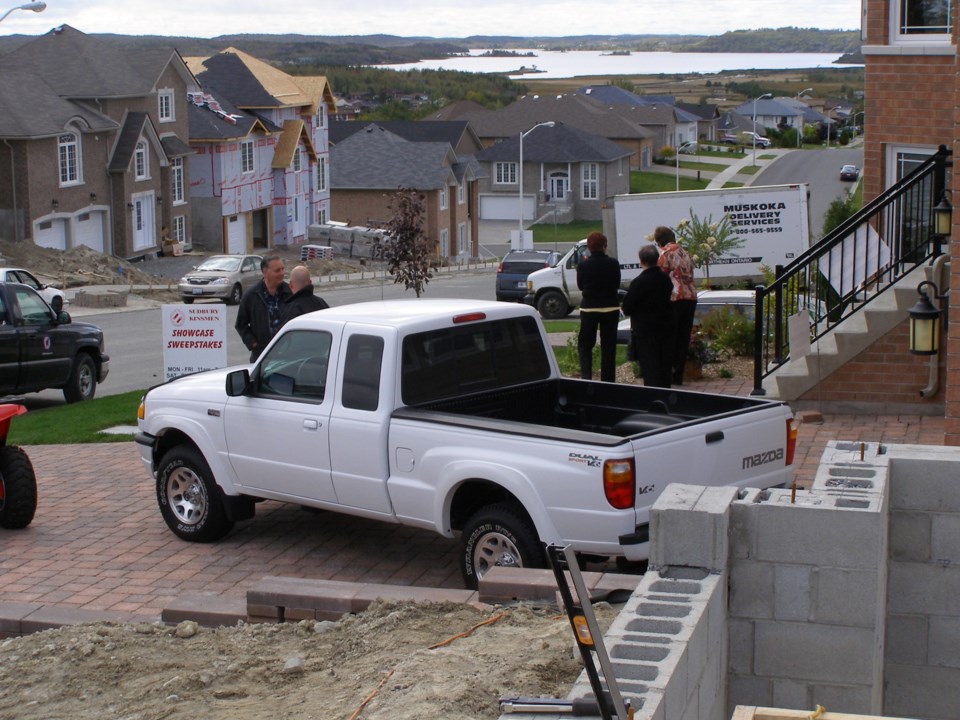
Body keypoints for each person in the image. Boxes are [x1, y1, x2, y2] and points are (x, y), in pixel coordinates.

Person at [620, 244, 674, 388]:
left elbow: (627, 308)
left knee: (650, 370)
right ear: (657, 260)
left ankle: (653, 396)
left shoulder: (639, 282)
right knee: (664, 368)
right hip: (664, 328)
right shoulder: (665, 280)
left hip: (645, 331)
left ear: (641, 261)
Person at [654, 226, 698, 385]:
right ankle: (679, 374)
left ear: (659, 242)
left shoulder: (665, 253)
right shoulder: (684, 252)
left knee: (670, 336)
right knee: (683, 337)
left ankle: (669, 373)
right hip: (690, 296)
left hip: (675, 298)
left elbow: (659, 276)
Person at [576, 231, 621, 383]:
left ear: (589, 247)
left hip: (589, 308)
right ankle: (608, 381)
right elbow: (616, 284)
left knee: (585, 345)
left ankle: (586, 378)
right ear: (604, 246)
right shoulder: (613, 264)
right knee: (608, 346)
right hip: (610, 308)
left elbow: (581, 286)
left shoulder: (583, 265)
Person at [235, 254, 291, 362]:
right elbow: (241, 325)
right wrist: (253, 344)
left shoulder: (290, 292)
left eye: (283, 269)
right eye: (277, 270)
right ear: (264, 272)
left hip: (287, 357)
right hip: (262, 357)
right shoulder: (251, 295)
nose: (282, 273)